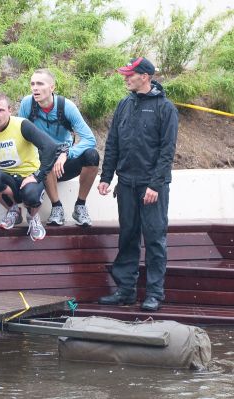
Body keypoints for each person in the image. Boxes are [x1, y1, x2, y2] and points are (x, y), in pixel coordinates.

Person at [97, 57, 178, 312]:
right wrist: (106, 177)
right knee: (128, 236)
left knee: (154, 239)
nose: (125, 78)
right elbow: (112, 144)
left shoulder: (165, 108)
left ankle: (154, 294)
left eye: (130, 74)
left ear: (145, 76)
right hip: (127, 185)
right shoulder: (124, 105)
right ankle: (126, 291)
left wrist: (155, 185)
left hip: (152, 186)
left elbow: (167, 151)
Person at [0, 92, 66, 241]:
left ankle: (32, 217)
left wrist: (37, 175)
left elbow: (50, 147)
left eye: (0, 110)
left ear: (9, 110)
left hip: (30, 177)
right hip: (9, 179)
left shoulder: (22, 125)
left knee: (31, 195)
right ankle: (13, 210)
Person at [18, 69, 99, 227]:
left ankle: (80, 206)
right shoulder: (27, 104)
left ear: (52, 87)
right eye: (32, 84)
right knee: (45, 154)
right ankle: (57, 208)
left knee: (92, 155)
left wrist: (67, 153)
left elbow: (90, 139)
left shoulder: (66, 106)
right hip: (42, 165)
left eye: (40, 84)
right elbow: (19, 135)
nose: (35, 88)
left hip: (64, 163)